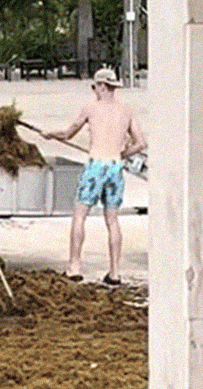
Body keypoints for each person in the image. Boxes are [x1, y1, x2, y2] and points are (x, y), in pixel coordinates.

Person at [46, 66, 148, 283]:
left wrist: (50, 134)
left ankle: (74, 267)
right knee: (112, 220)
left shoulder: (91, 107)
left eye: (95, 87)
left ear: (102, 86)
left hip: (96, 166)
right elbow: (141, 143)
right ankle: (115, 272)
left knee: (80, 215)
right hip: (115, 167)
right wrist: (122, 153)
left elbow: (67, 133)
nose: (94, 91)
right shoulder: (126, 110)